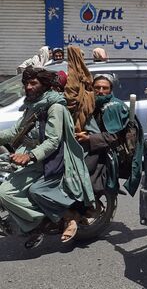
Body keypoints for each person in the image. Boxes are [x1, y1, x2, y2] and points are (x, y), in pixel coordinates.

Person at [0, 67, 94, 248]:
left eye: (33, 83)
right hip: (32, 159)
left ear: (45, 85)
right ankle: (33, 221)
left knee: (7, 192)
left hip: (50, 161)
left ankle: (47, 220)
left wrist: (29, 156)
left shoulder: (55, 107)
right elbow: (16, 131)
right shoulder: (33, 105)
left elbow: (53, 141)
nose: (28, 87)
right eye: (26, 83)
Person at [75, 74, 143, 201]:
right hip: (97, 144)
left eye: (105, 88)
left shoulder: (114, 107)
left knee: (82, 172)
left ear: (111, 90)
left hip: (110, 150)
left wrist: (89, 138)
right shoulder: (93, 103)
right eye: (97, 87)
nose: (101, 91)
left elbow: (113, 136)